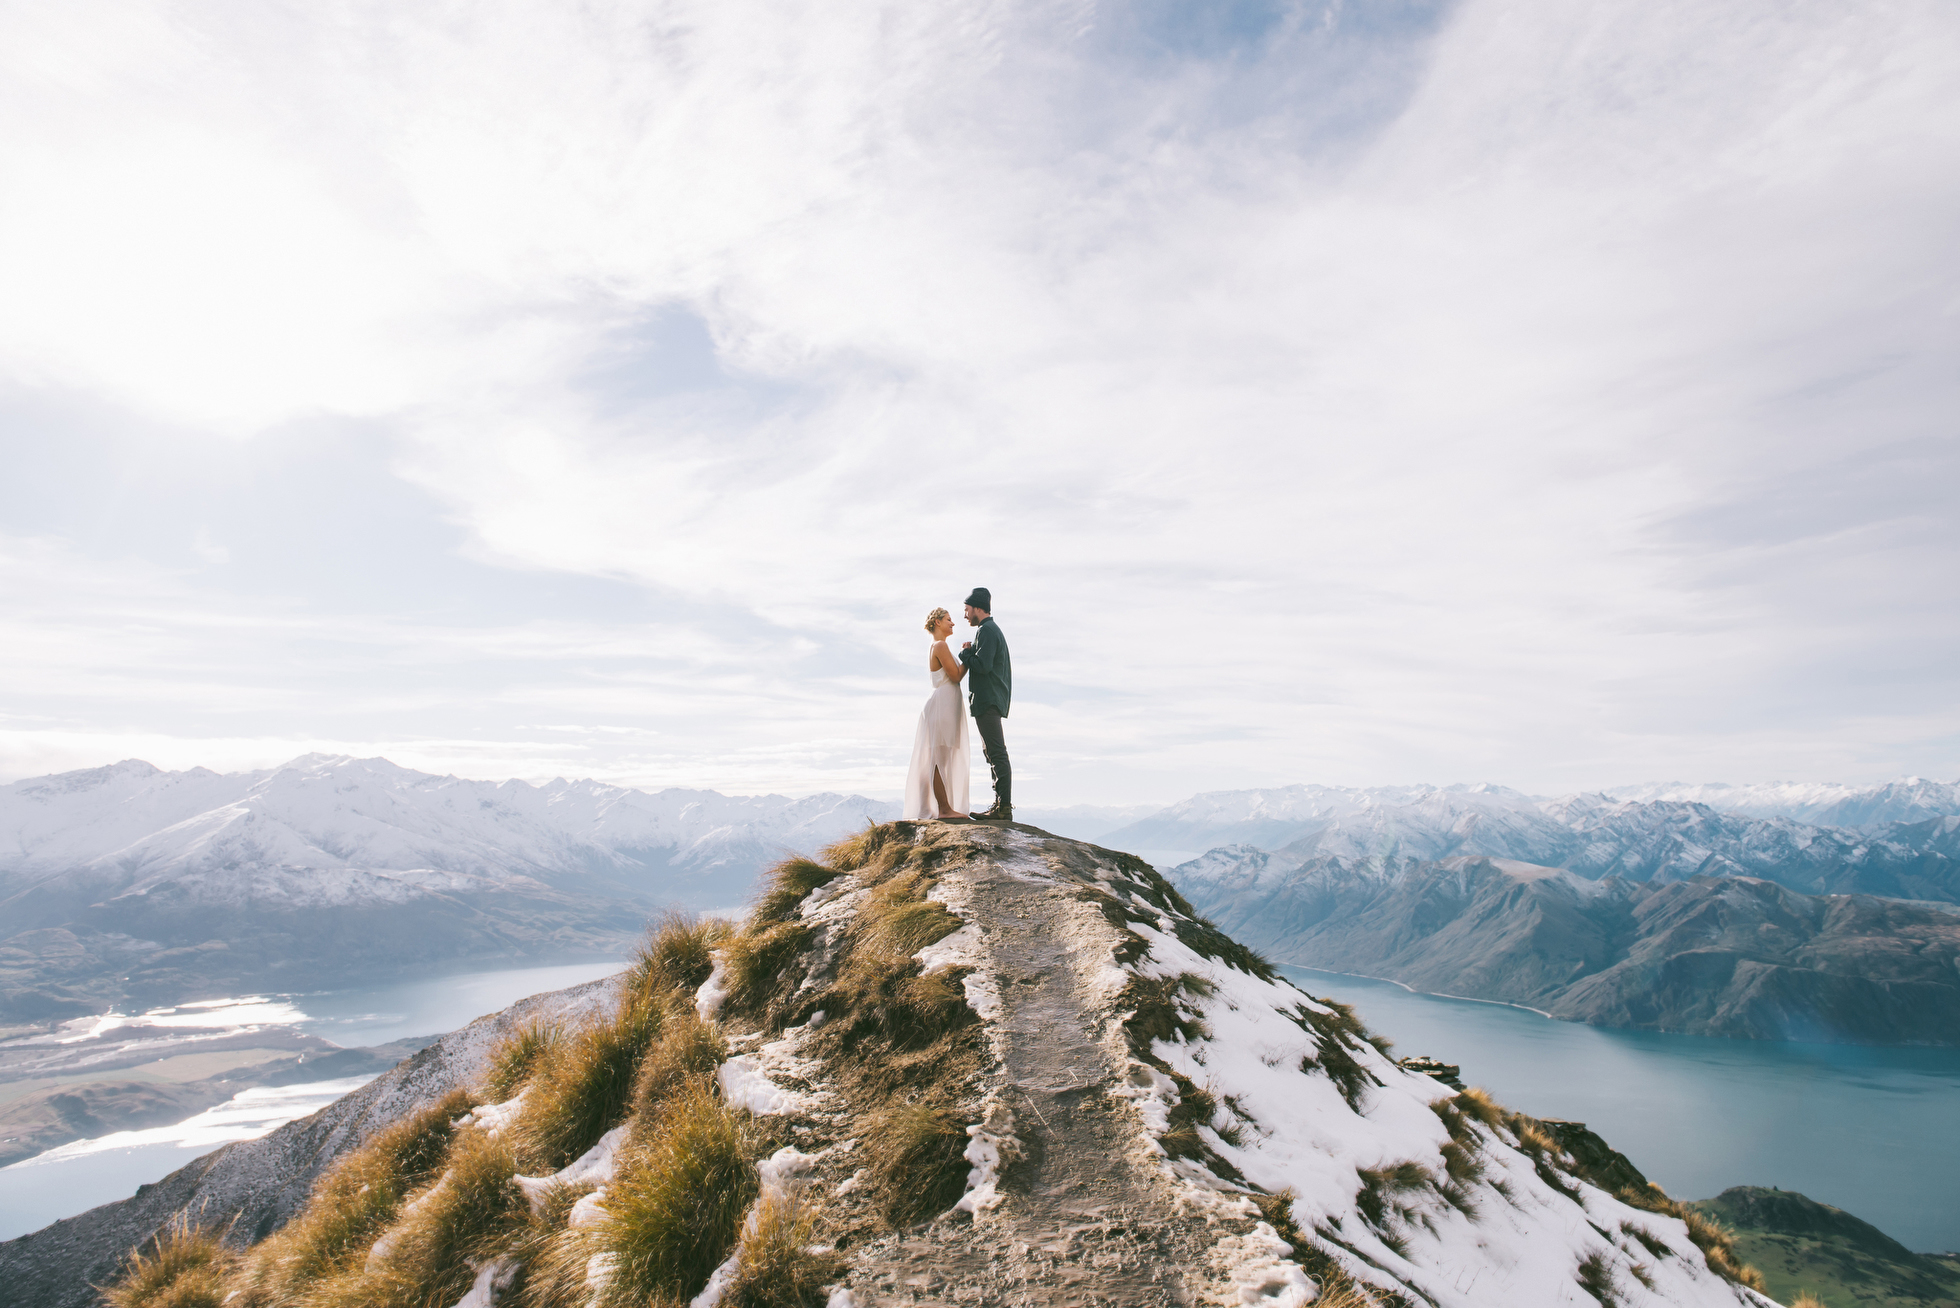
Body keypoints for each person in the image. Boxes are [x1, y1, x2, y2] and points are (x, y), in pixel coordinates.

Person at [901, 607, 972, 821]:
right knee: (938, 758)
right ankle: (943, 809)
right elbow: (956, 675)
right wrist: (968, 656)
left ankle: (937, 806)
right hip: (943, 705)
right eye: (949, 620)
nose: (953, 623)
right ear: (938, 623)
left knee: (941, 758)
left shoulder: (942, 646)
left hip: (948, 704)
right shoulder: (940, 645)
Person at [957, 587, 1013, 821]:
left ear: (978, 608)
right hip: (990, 699)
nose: (965, 615)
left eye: (967, 609)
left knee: (996, 753)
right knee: (992, 752)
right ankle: (1000, 806)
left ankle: (1003, 809)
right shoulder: (989, 630)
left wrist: (966, 654)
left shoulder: (987, 630)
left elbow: (983, 666)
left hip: (988, 699)